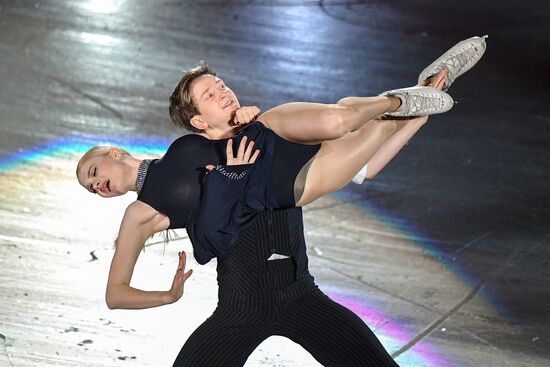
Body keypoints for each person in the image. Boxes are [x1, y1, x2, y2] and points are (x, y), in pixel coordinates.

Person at [76, 36, 487, 366]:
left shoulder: (231, 139)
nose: (96, 185)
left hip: (299, 294)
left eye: (93, 173)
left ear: (112, 153)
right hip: (241, 306)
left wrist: (420, 113)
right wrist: (166, 296)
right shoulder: (146, 208)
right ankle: (412, 97)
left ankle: (417, 97)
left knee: (352, 132)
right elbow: (116, 293)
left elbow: (366, 168)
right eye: (90, 187)